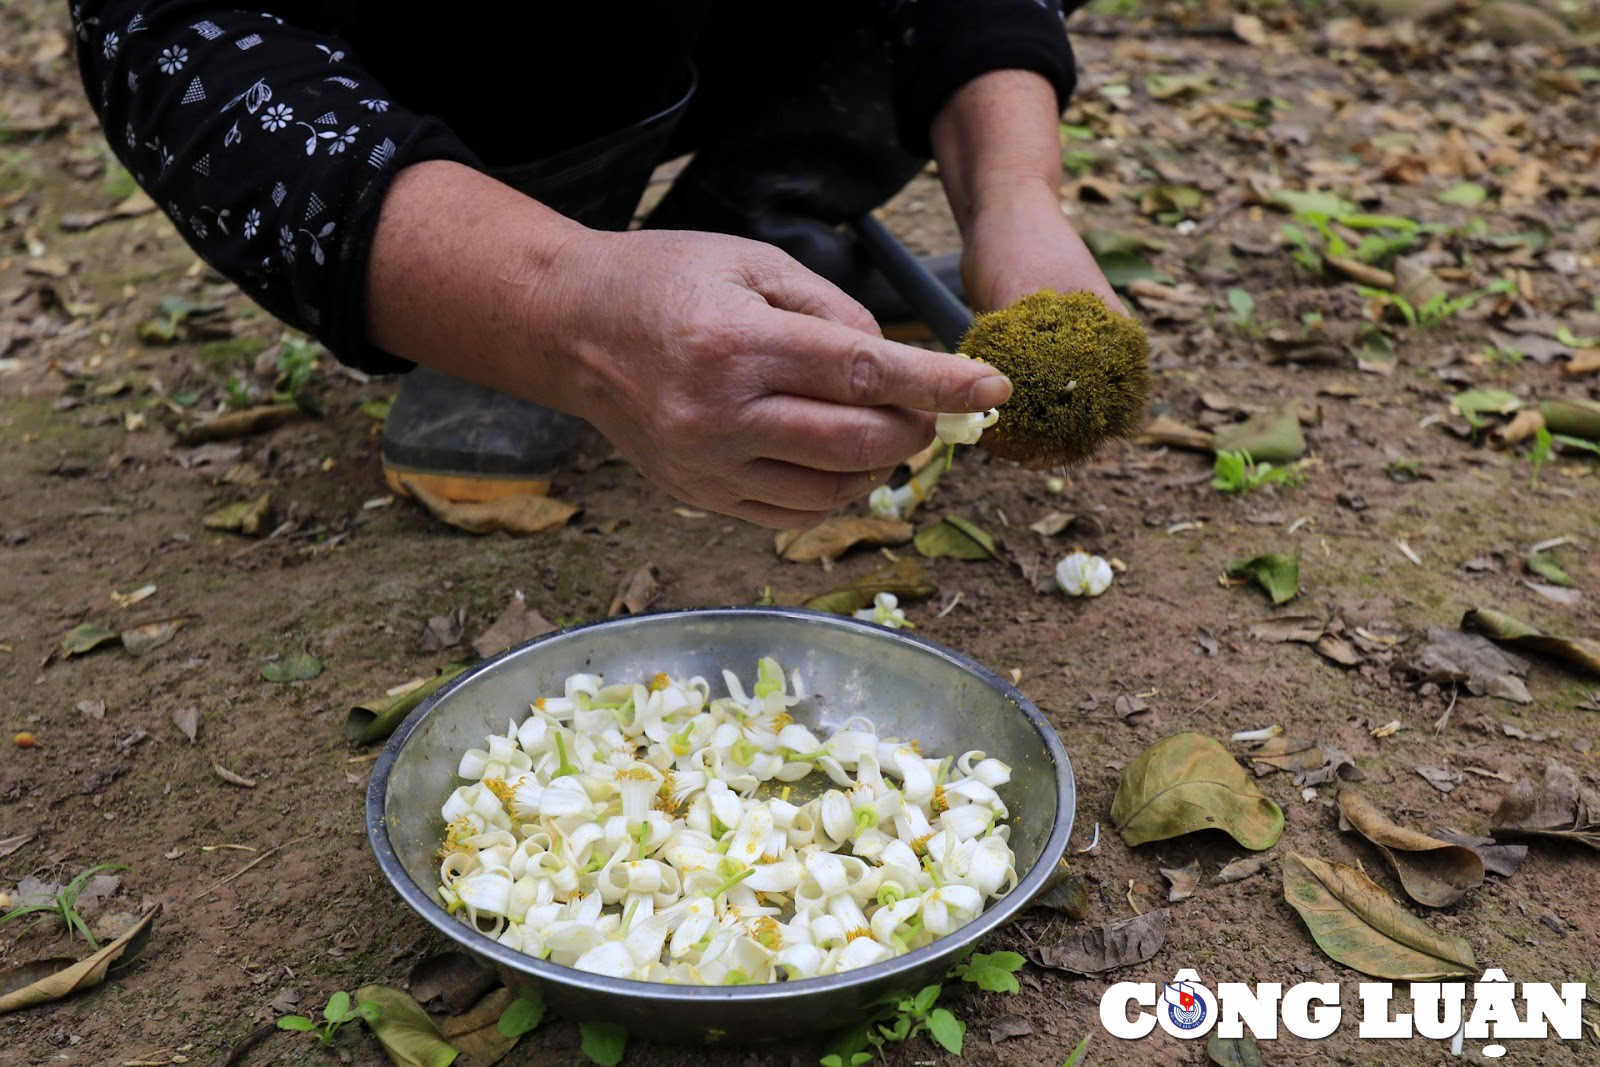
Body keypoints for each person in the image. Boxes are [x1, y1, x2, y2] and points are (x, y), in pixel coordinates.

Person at [73, 1, 1119, 528]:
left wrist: (1014, 197)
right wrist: (553, 304)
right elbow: (166, 40)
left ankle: (763, 224)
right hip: (448, 68)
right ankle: (517, 276)